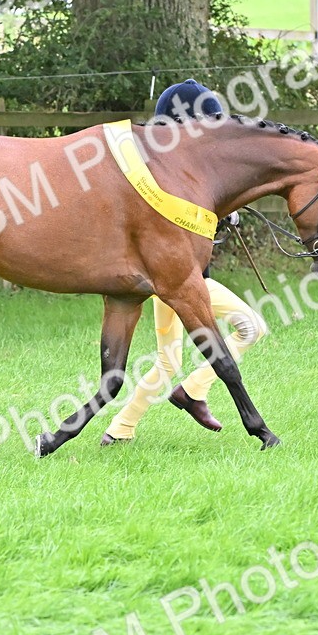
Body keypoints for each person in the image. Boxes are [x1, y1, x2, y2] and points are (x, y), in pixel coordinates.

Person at [102, 79, 269, 445]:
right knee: (251, 327)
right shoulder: (169, 171)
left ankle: (121, 429)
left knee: (168, 362)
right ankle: (192, 392)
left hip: (175, 283)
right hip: (180, 283)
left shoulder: (169, 169)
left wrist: (225, 214)